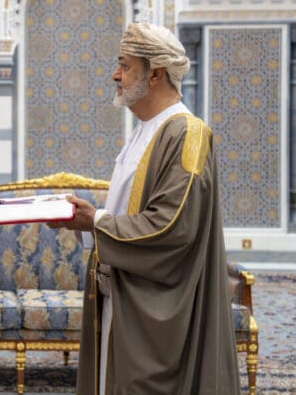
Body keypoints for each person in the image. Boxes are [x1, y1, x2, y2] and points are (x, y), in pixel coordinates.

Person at [48, 22, 240, 394]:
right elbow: (130, 213)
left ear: (155, 74)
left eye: (124, 65)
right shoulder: (145, 130)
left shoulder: (186, 133)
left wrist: (95, 221)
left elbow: (172, 227)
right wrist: (85, 221)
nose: (114, 75)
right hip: (123, 296)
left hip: (156, 312)